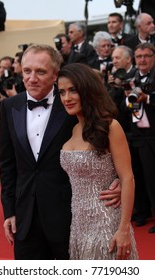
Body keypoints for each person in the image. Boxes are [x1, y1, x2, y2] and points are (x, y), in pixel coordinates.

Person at [0, 43, 121, 260]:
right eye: (27, 71)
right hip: (26, 217)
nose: (32, 78)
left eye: (41, 71)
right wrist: (9, 210)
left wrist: (119, 179)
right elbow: (7, 163)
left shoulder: (72, 103)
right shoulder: (10, 106)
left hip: (70, 216)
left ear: (55, 74)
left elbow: (111, 140)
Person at [58, 63, 138, 260]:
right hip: (78, 226)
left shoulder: (111, 126)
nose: (66, 98)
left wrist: (124, 229)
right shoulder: (74, 129)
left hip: (107, 223)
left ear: (87, 89)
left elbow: (127, 178)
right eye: (61, 92)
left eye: (72, 90)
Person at [123, 42, 155, 232]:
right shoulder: (131, 78)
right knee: (138, 176)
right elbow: (122, 109)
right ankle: (142, 212)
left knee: (152, 177)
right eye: (139, 56)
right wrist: (128, 98)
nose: (142, 60)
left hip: (152, 134)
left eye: (146, 56)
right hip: (136, 135)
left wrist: (147, 98)